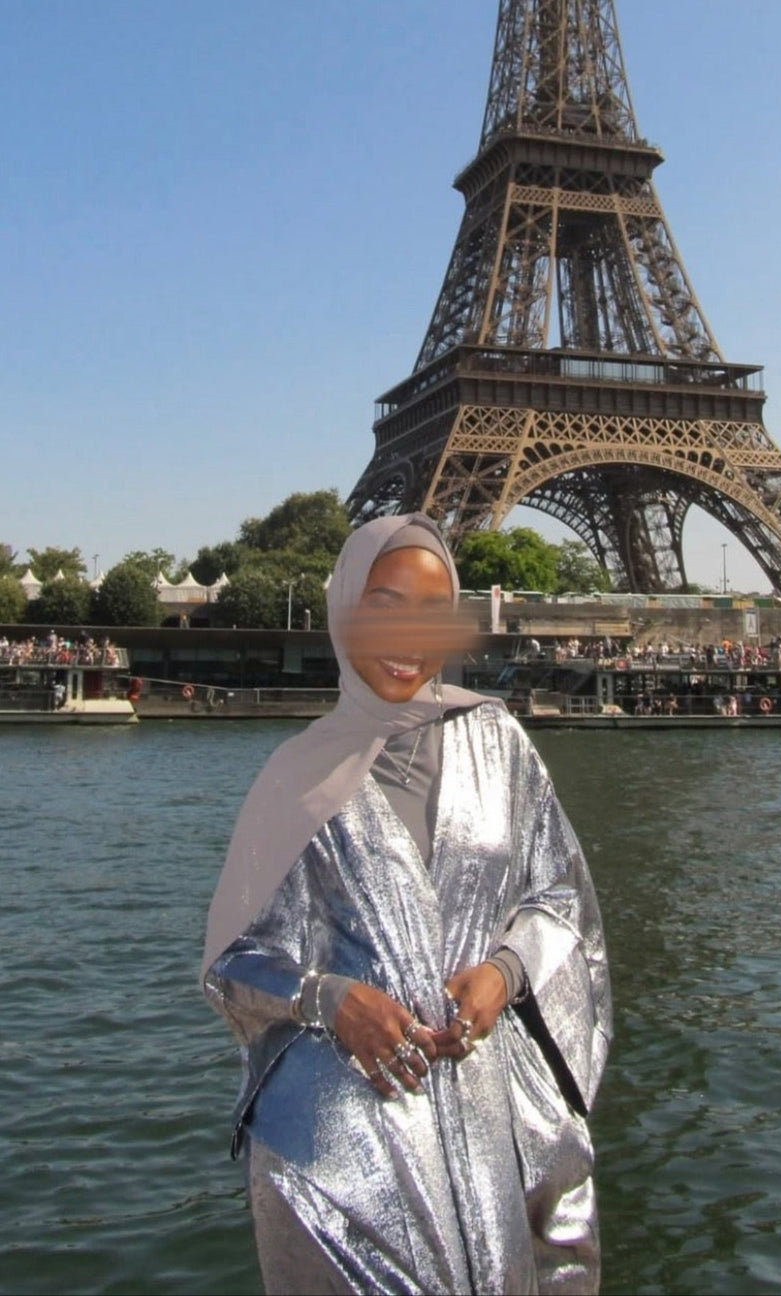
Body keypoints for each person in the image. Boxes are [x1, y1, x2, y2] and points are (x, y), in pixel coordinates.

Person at [202, 514, 611, 1296]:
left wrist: (504, 972)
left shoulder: (499, 743)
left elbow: (559, 893)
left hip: (498, 1120)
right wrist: (331, 999)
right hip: (346, 1152)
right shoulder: (296, 774)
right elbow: (233, 962)